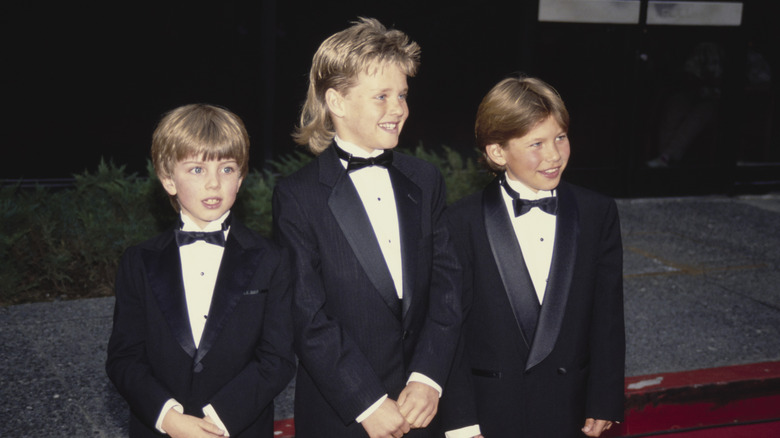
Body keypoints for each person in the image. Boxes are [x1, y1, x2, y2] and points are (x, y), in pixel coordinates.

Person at [272, 17, 461, 438]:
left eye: (403, 95)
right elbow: (307, 314)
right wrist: (368, 402)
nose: (399, 109)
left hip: (422, 410)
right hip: (343, 413)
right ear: (336, 101)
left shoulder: (425, 181)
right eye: (382, 96)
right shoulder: (299, 196)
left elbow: (448, 288)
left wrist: (428, 378)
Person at [439, 76, 625, 438]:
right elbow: (450, 331)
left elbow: (607, 315)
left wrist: (604, 397)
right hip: (492, 413)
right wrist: (460, 421)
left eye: (560, 137)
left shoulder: (596, 212)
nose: (554, 154)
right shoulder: (460, 222)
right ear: (497, 152)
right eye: (536, 143)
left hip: (569, 409)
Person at [106, 104, 295, 437]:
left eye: (227, 168)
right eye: (196, 170)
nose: (213, 183)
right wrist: (168, 418)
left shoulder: (271, 259)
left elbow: (277, 358)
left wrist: (219, 420)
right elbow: (124, 358)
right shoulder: (138, 261)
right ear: (168, 179)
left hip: (239, 427)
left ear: (241, 177)